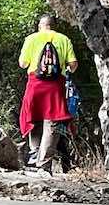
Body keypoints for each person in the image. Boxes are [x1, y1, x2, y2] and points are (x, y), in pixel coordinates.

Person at [17, 14, 78, 169]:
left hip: (35, 85)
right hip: (55, 87)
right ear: (53, 26)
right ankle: (44, 164)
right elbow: (73, 65)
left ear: (40, 26)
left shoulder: (31, 39)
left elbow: (23, 64)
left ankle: (34, 155)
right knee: (53, 122)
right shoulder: (64, 39)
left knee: (34, 118)